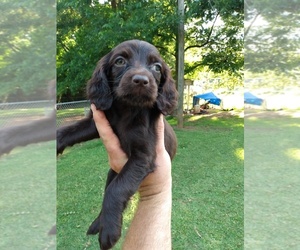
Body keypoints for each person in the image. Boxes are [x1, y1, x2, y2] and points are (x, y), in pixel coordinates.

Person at [91, 104, 172, 250]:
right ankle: (103, 216)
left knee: (115, 183)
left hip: (145, 158)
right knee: (114, 174)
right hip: (136, 154)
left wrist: (155, 191)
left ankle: (106, 214)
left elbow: (143, 160)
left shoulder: (148, 115)